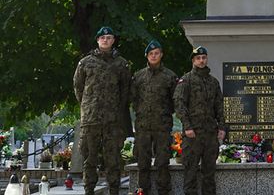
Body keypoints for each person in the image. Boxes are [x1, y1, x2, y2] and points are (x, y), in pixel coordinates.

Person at [73, 26, 131, 195]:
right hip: (91, 120)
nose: (105, 40)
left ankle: (114, 191)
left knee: (113, 160)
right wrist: (88, 105)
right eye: (102, 38)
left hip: (112, 121)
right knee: (89, 160)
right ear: (98, 40)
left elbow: (125, 90)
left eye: (109, 37)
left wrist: (116, 110)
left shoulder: (121, 64)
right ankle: (89, 190)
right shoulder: (85, 62)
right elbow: (78, 87)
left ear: (113, 40)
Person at [174, 46, 226, 195]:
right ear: (193, 60)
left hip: (210, 134)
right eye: (198, 58)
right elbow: (179, 104)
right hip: (193, 135)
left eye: (203, 58)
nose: (201, 60)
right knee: (190, 173)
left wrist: (221, 127)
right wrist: (188, 126)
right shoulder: (186, 80)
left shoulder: (213, 82)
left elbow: (219, 106)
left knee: (209, 175)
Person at [131, 40, 178, 195]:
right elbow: (134, 99)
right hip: (143, 126)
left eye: (156, 53)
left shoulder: (170, 76)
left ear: (161, 55)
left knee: (162, 162)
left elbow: (175, 100)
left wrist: (164, 113)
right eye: (151, 54)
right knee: (142, 162)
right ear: (147, 56)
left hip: (162, 126)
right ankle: (142, 191)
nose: (154, 56)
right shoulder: (138, 77)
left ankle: (164, 192)